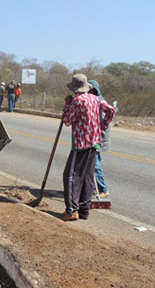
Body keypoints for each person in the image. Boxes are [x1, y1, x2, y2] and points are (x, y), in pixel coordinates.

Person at [62, 74, 115, 221]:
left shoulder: (77, 101)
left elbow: (67, 120)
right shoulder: (96, 99)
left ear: (74, 89)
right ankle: (84, 210)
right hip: (94, 143)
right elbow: (111, 110)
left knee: (71, 176)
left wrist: (67, 105)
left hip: (81, 144)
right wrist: (102, 126)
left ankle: (71, 210)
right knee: (87, 176)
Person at [88, 80, 111, 197]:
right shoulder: (94, 101)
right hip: (94, 137)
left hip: (98, 138)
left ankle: (103, 189)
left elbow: (102, 121)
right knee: (91, 163)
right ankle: (91, 187)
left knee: (95, 164)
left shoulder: (100, 102)